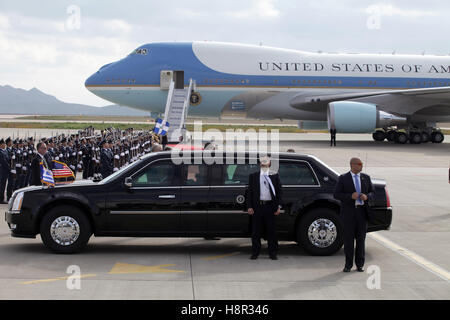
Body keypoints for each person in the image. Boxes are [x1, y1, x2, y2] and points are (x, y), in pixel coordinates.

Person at [334, 157, 374, 272]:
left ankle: (360, 264)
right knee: (348, 240)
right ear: (352, 165)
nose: (361, 166)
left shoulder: (365, 178)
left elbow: (372, 192)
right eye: (359, 164)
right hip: (349, 213)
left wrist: (367, 197)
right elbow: (336, 194)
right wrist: (350, 196)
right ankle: (348, 264)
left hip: (362, 212)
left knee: (361, 240)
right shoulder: (343, 178)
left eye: (361, 164)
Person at [246, 156, 282, 260]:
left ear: (269, 164)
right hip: (257, 207)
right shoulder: (253, 176)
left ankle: (273, 253)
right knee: (256, 231)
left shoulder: (274, 176)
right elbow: (250, 193)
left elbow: (279, 192)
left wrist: (278, 206)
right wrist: (249, 206)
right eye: (262, 164)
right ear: (260, 165)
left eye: (266, 164)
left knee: (271, 231)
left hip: (270, 207)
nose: (264, 165)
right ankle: (255, 252)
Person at [0, 139, 10, 203]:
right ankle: (1, 199)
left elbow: (8, 159)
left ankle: (2, 198)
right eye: (3, 144)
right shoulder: (0, 152)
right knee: (1, 185)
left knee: (3, 185)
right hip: (2, 171)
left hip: (5, 171)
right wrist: (9, 168)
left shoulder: (5, 151)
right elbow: (4, 161)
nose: (4, 145)